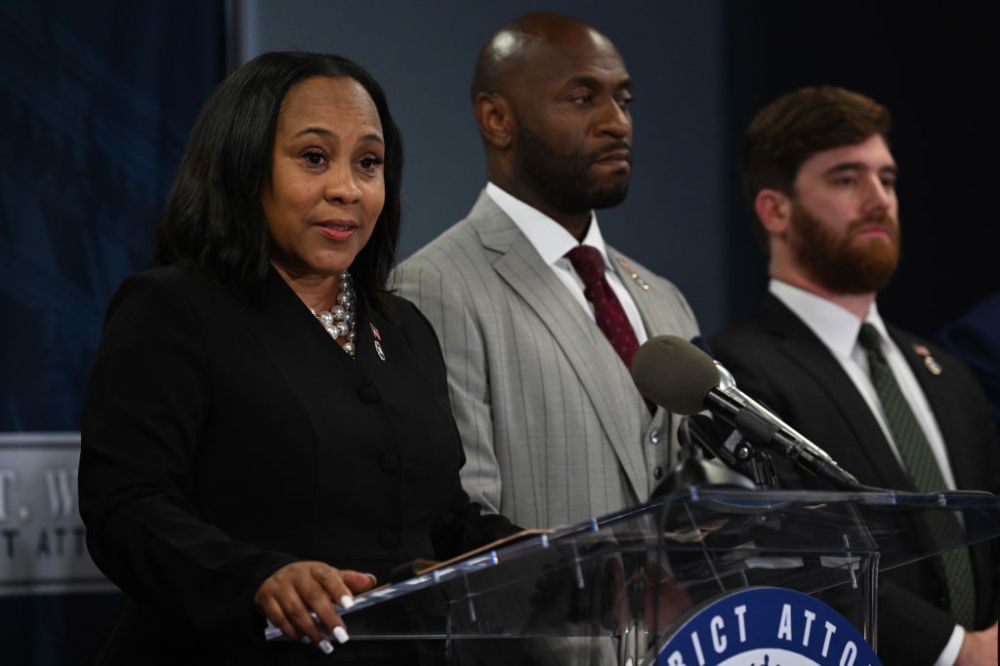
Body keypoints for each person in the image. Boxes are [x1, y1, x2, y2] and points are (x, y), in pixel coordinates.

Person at [79, 52, 517, 665]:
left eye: (369, 163)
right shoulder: (173, 310)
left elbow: (437, 514)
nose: (346, 188)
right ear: (243, 168)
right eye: (314, 158)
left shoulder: (405, 327)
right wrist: (257, 578)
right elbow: (127, 507)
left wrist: (528, 552)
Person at [710, 86, 999, 665]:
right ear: (775, 209)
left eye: (887, 179)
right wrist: (955, 652)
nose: (878, 200)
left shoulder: (945, 373)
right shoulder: (736, 375)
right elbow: (784, 556)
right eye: (847, 179)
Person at [394, 12, 699, 532]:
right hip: (543, 614)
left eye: (624, 101)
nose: (617, 123)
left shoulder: (665, 298)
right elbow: (463, 523)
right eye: (584, 98)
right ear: (497, 119)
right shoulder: (437, 286)